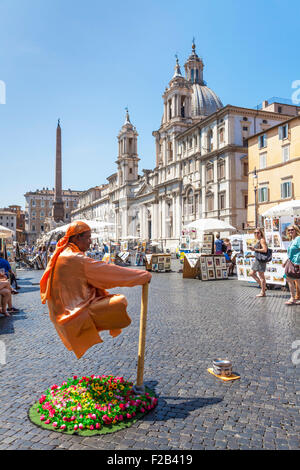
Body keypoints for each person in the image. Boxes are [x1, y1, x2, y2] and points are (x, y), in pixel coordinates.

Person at [40, 221, 152, 359]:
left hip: (62, 312)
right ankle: (90, 327)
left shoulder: (64, 254)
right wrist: (142, 276)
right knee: (119, 302)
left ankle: (92, 327)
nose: (90, 241)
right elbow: (108, 273)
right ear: (76, 238)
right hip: (72, 314)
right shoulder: (74, 258)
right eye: (87, 237)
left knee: (114, 302)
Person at [282, 225, 300, 305]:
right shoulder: (292, 240)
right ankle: (292, 298)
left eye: (292, 230)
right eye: (289, 230)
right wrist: (285, 261)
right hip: (290, 263)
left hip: (297, 263)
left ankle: (294, 298)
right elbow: (290, 253)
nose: (290, 231)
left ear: (296, 230)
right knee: (289, 279)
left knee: (298, 281)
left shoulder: (298, 239)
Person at [249, 228, 268, 297]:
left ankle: (263, 292)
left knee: (261, 276)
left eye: (258, 232)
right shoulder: (259, 240)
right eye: (255, 233)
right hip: (258, 260)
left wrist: (255, 249)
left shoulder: (262, 240)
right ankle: (263, 288)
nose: (256, 234)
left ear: (261, 233)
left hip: (260, 260)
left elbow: (265, 250)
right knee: (251, 273)